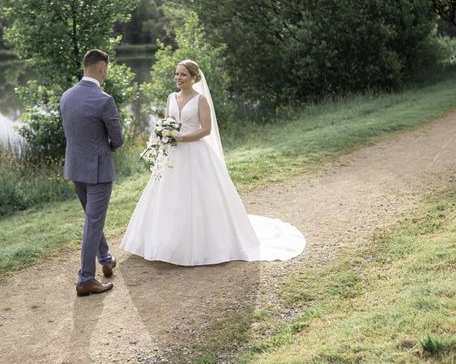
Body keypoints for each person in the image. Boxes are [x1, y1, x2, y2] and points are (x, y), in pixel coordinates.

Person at [120, 59, 305, 265]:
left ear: (193, 78)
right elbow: (165, 122)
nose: (178, 78)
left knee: (199, 197)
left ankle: (202, 244)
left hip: (195, 153)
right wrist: (164, 135)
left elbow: (205, 130)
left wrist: (181, 138)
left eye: (182, 74)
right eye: (176, 74)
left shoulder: (200, 100)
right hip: (172, 155)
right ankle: (164, 242)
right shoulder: (171, 97)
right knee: (168, 196)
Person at [60, 49, 124, 296]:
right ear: (101, 68)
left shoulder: (66, 96)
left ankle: (105, 258)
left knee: (92, 219)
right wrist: (107, 148)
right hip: (98, 170)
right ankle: (86, 278)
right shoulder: (104, 100)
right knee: (93, 223)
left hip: (75, 168)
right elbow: (117, 139)